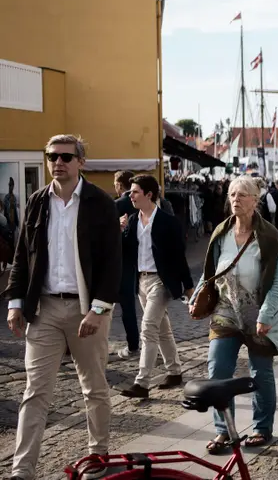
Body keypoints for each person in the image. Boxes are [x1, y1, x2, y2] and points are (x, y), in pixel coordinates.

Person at [4, 134, 121, 480]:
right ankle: (22, 470)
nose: (58, 162)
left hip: (88, 308)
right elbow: (22, 256)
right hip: (45, 309)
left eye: (66, 157)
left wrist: (98, 310)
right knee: (35, 391)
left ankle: (98, 455)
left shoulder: (100, 203)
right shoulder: (38, 201)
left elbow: (112, 263)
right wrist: (15, 303)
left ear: (80, 162)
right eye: (52, 156)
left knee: (94, 387)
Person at [188, 176, 278, 453]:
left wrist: (265, 315)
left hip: (259, 312)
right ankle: (224, 431)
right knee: (218, 369)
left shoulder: (269, 236)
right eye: (232, 194)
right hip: (226, 311)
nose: (235, 199)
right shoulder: (222, 233)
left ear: (255, 200)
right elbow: (210, 272)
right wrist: (196, 296)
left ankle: (262, 428)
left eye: (242, 194)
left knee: (261, 372)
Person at [119, 175, 194, 398]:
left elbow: (179, 257)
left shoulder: (167, 221)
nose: (130, 196)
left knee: (148, 328)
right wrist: (120, 231)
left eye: (135, 192)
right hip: (141, 282)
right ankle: (175, 371)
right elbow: (124, 251)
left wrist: (189, 287)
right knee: (162, 329)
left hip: (161, 282)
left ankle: (142, 383)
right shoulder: (133, 220)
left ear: (149, 194)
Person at [112, 170, 142, 359]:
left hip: (122, 260)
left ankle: (133, 344)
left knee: (126, 304)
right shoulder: (142, 202)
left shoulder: (117, 204)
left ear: (119, 185)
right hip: (142, 258)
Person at [4, 176, 19, 244]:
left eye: (12, 185)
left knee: (13, 241)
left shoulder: (14, 197)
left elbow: (15, 211)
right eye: (10, 185)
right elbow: (6, 211)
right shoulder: (6, 197)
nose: (11, 187)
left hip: (13, 223)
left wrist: (17, 222)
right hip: (7, 223)